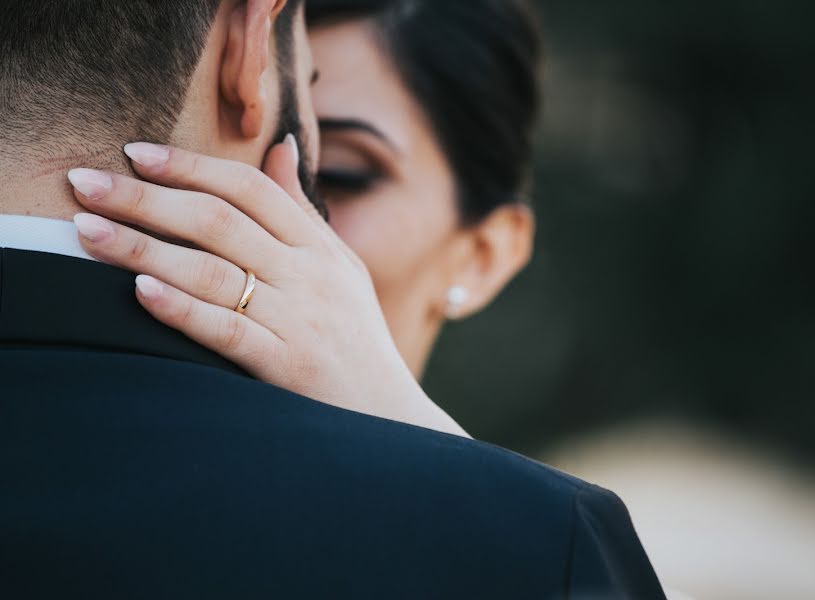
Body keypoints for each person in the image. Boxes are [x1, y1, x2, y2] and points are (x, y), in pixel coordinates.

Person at [0, 1, 666, 598]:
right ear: (249, 56)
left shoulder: (536, 541)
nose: (300, 221)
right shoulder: (534, 544)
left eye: (345, 176)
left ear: (483, 254)